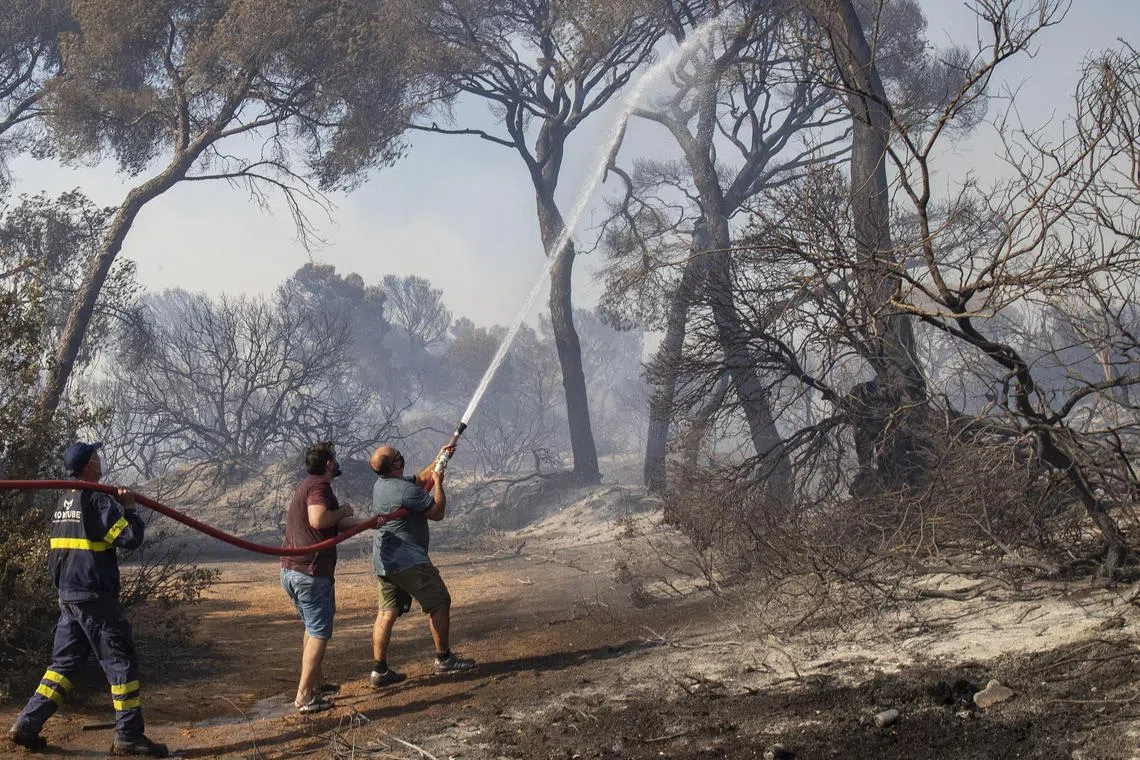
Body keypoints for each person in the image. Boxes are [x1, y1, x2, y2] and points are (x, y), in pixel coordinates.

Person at [7, 441, 169, 756]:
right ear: (90, 464)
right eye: (97, 456)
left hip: (69, 597)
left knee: (63, 666)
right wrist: (129, 508)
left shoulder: (63, 500)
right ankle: (129, 736)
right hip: (94, 599)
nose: (100, 460)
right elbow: (130, 538)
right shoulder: (96, 499)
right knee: (121, 663)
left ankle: (27, 724)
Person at [367, 443, 475, 688]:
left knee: (386, 613)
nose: (400, 456)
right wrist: (439, 484)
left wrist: (441, 457)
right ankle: (444, 659)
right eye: (397, 455)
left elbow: (421, 477)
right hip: (409, 562)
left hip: (385, 562)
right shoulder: (407, 492)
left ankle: (379, 670)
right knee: (440, 602)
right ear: (395, 464)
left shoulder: (381, 485)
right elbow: (437, 512)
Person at [280, 441, 357, 714]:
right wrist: (343, 511)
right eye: (334, 458)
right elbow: (319, 519)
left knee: (311, 629)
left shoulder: (309, 485)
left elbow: (334, 523)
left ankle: (316, 684)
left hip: (294, 571)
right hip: (310, 573)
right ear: (329, 464)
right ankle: (304, 697)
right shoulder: (319, 487)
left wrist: (373, 521)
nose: (337, 462)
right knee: (319, 632)